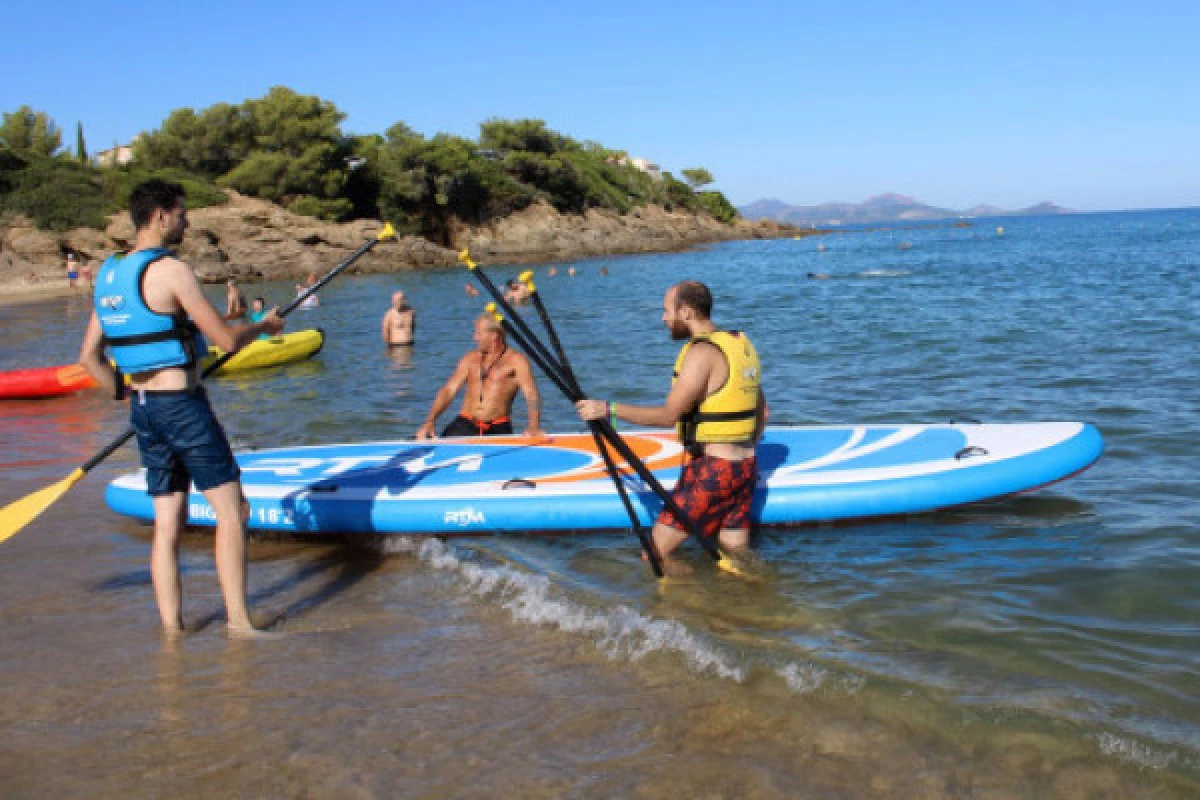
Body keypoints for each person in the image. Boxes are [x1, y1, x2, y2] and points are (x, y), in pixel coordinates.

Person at [79, 179, 285, 636]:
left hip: (146, 410)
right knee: (233, 512)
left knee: (167, 520)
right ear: (159, 216)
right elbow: (227, 341)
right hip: (183, 407)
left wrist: (125, 391)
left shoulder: (108, 276)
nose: (186, 221)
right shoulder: (172, 270)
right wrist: (265, 326)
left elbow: (88, 358)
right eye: (181, 213)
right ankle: (239, 623)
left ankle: (173, 628)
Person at [575, 281, 766, 576]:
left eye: (667, 311)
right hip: (745, 469)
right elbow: (762, 411)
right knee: (736, 552)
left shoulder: (702, 353)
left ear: (686, 312)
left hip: (714, 473)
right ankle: (755, 598)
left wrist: (608, 409)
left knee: (655, 555)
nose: (663, 318)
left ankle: (688, 609)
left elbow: (668, 416)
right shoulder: (740, 344)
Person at [415, 313, 542, 439]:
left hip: (498, 428)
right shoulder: (470, 359)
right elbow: (448, 390)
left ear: (494, 335)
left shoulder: (516, 361)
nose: (474, 338)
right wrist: (430, 421)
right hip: (465, 425)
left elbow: (531, 394)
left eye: (479, 333)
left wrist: (533, 426)